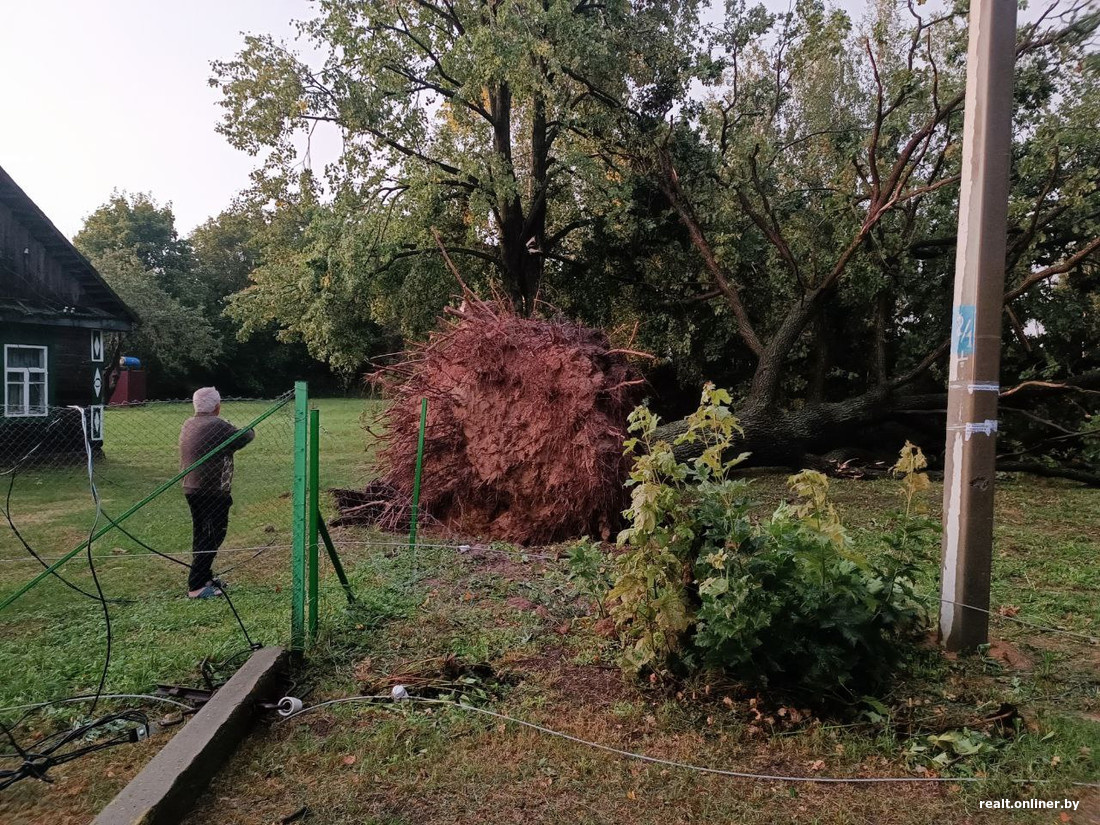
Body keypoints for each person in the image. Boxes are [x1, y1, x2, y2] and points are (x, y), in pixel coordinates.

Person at [179, 387, 254, 599]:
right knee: (213, 535)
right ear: (217, 407)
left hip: (191, 487)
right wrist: (237, 425)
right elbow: (246, 436)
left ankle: (204, 577)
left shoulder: (189, 423)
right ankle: (196, 587)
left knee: (202, 533)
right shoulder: (218, 425)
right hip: (212, 490)